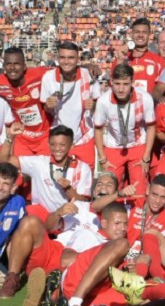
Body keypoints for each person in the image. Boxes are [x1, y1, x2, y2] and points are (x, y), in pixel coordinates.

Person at [0, 172, 126, 306]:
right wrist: (58, 213)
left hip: (80, 264)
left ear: (116, 192)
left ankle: (51, 289)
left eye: (109, 184)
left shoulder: (122, 217)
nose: (103, 187)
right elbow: (49, 226)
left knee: (85, 257)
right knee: (29, 222)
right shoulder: (81, 207)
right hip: (54, 252)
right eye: (99, 184)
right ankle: (12, 279)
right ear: (94, 192)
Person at [0, 124, 92, 221]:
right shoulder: (39, 163)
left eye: (62, 145)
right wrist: (10, 137)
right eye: (53, 144)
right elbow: (4, 161)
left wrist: (68, 189)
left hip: (69, 219)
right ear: (48, 144)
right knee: (29, 216)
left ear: (71, 145)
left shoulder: (83, 168)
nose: (57, 148)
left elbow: (84, 202)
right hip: (41, 217)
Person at [94, 63, 156, 197]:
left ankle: (136, 217)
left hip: (138, 146)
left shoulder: (145, 98)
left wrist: (146, 156)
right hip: (113, 147)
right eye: (117, 84)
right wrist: (102, 158)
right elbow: (98, 129)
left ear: (132, 83)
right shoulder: (103, 101)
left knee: (139, 191)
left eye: (125, 84)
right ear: (111, 82)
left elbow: (151, 127)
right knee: (110, 191)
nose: (121, 89)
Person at [40, 40, 101, 169]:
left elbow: (99, 105)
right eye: (62, 57)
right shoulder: (48, 77)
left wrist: (94, 105)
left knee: (85, 181)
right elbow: (45, 109)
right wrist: (48, 105)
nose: (66, 61)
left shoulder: (89, 76)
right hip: (58, 138)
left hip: (84, 137)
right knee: (57, 179)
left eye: (71, 57)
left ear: (78, 59)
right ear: (57, 58)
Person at [124, 174, 165, 280]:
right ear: (148, 190)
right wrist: (119, 194)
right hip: (124, 258)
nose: (157, 201)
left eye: (163, 197)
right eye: (154, 194)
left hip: (149, 266)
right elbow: (97, 206)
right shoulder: (133, 204)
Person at [0, 46, 50, 156]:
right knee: (18, 171)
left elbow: (63, 70)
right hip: (22, 138)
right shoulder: (2, 83)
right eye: (8, 64)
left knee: (46, 172)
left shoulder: (39, 74)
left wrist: (87, 66)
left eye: (16, 63)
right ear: (4, 67)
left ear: (24, 66)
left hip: (45, 136)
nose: (12, 67)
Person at [113, 18, 165, 94]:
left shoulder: (158, 60)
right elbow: (114, 82)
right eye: (137, 32)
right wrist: (120, 60)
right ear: (131, 34)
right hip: (127, 104)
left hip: (150, 105)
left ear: (149, 35)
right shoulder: (121, 58)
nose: (140, 35)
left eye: (144, 32)